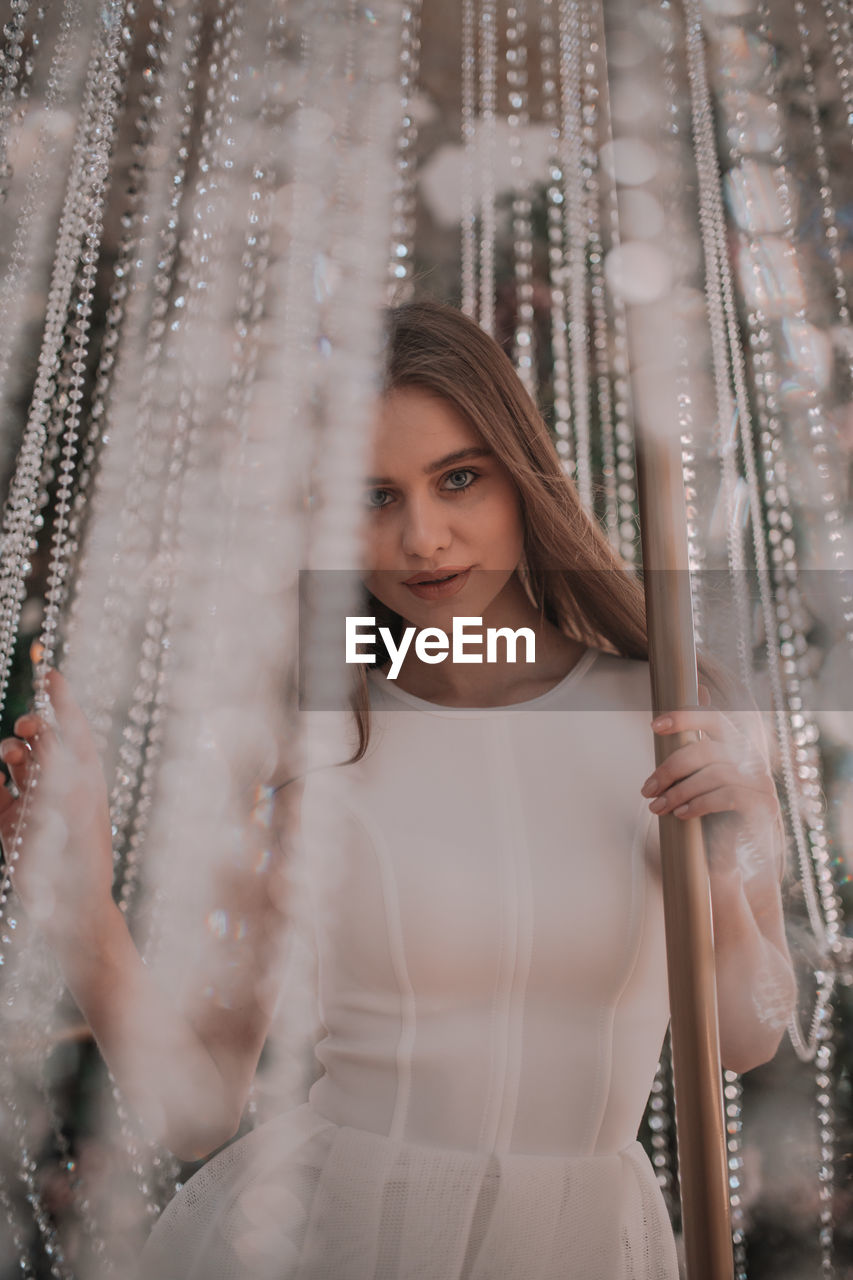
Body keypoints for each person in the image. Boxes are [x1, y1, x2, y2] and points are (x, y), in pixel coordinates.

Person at [0, 300, 796, 1279]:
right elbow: (201, 1100)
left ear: (521, 469)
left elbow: (750, 1036)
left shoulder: (679, 705)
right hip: (337, 1236)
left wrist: (725, 858)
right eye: (374, 497)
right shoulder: (309, 739)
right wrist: (76, 898)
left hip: (586, 1242)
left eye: (458, 477)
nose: (424, 536)